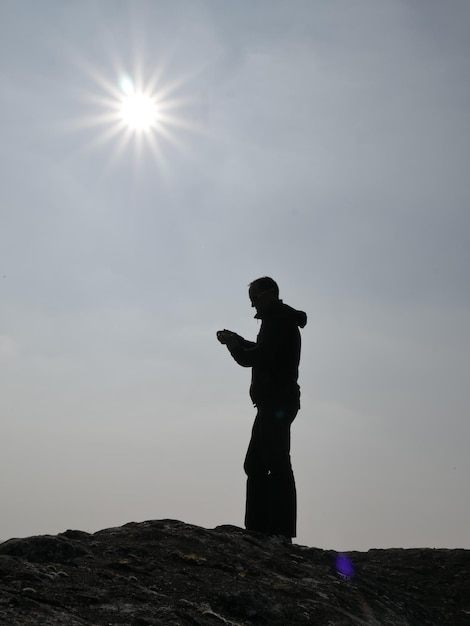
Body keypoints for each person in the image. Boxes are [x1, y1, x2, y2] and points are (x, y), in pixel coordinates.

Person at [217, 277, 307, 543]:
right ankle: (259, 531)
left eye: (254, 298)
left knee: (277, 463)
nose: (252, 304)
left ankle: (280, 532)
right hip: (272, 402)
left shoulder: (279, 320)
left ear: (268, 295)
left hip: (278, 402)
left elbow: (255, 358)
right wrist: (238, 340)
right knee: (255, 464)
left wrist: (234, 345)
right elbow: (262, 351)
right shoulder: (275, 320)